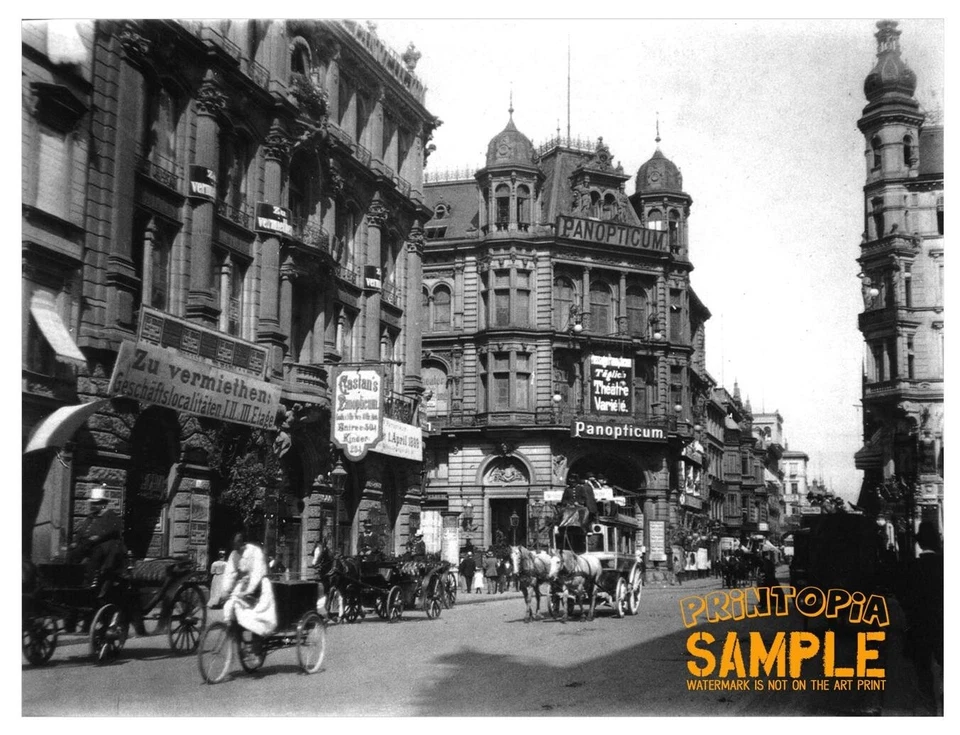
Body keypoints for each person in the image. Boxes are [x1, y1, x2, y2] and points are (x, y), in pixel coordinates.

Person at [900, 521, 943, 715]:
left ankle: (931, 708)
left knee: (923, 669)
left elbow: (904, 599)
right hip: (943, 625)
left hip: (919, 627)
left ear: (920, 544)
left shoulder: (912, 569)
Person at [216, 531, 277, 637]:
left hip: (260, 587)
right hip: (243, 586)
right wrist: (226, 590)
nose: (236, 546)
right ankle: (236, 640)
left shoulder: (255, 551)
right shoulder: (234, 555)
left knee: (256, 617)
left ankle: (257, 645)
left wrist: (248, 591)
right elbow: (230, 574)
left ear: (243, 542)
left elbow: (257, 574)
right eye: (234, 543)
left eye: (239, 542)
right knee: (232, 606)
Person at [69, 484, 127, 595]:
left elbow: (114, 530)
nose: (94, 505)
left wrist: (98, 537)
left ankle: (91, 582)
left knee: (96, 554)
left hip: (107, 545)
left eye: (97, 503)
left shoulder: (111, 515)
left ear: (103, 504)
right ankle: (74, 580)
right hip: (88, 543)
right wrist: (75, 542)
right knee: (73, 553)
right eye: (93, 503)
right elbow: (82, 531)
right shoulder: (91, 516)